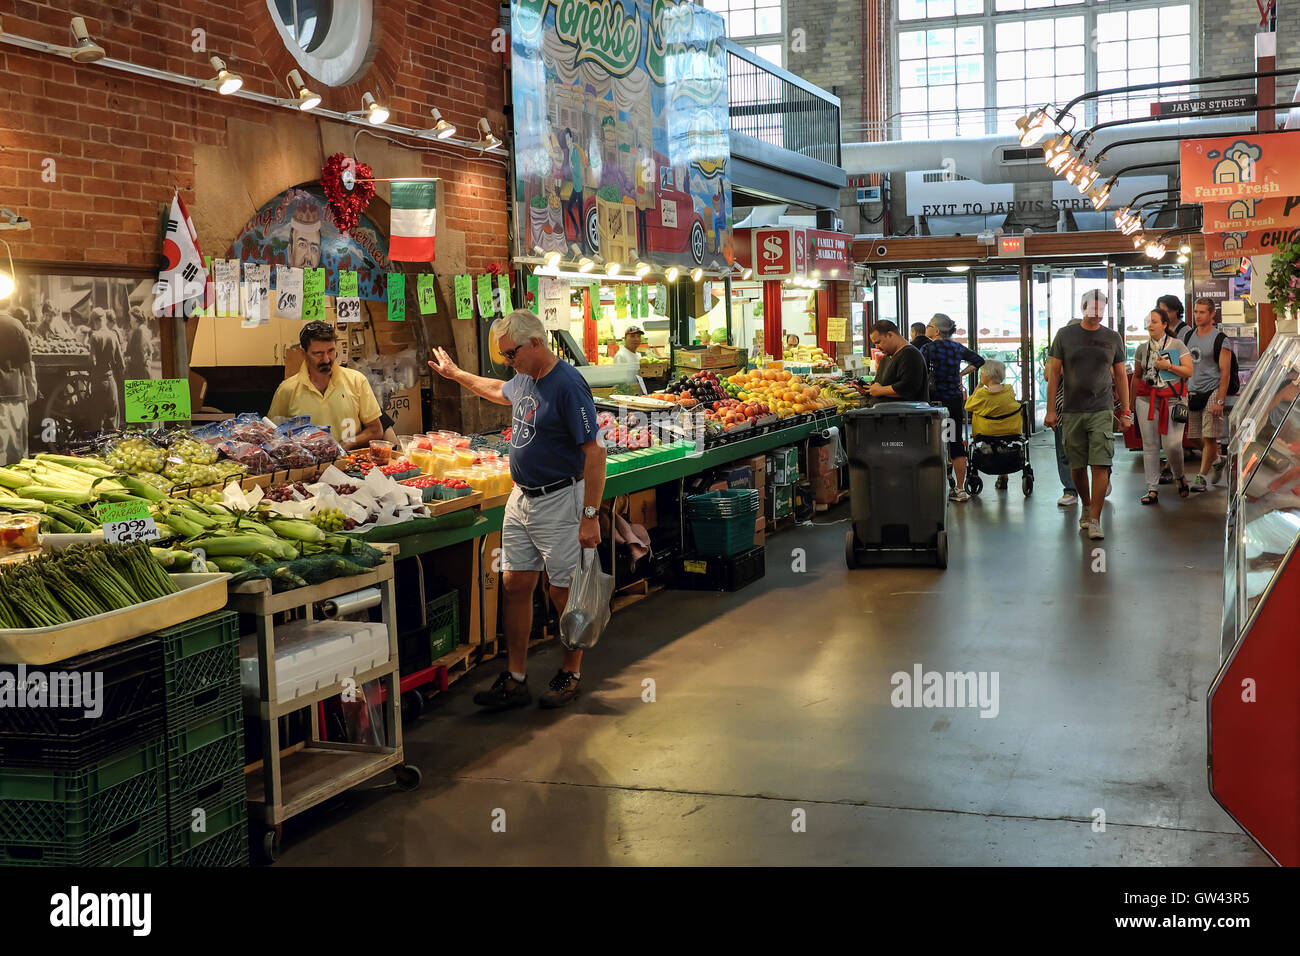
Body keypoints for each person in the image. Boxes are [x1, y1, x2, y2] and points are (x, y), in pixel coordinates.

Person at [428, 309, 606, 710]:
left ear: (537, 343)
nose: (509, 362)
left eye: (512, 354)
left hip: (560, 500)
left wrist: (590, 516)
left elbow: (596, 453)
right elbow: (497, 390)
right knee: (514, 584)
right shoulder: (525, 378)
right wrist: (457, 375)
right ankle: (517, 676)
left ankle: (571, 672)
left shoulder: (568, 385)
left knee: (563, 591)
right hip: (521, 498)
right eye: (505, 356)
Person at [1045, 290, 1132, 541]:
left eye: (1101, 307)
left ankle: (1095, 518)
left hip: (1102, 408)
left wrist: (1125, 411)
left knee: (1101, 463)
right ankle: (1085, 504)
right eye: (1093, 306)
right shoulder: (1065, 335)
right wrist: (1051, 409)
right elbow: (1053, 374)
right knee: (1077, 467)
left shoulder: (1112, 337)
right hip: (1072, 410)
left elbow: (1120, 377)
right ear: (1083, 307)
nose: (1097, 311)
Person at [268, 321, 383, 450]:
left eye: (331, 351)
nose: (327, 359)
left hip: (348, 465)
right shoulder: (286, 390)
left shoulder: (356, 380)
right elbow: (272, 436)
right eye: (318, 353)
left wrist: (347, 443)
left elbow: (375, 430)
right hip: (308, 467)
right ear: (303, 353)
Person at [1132, 309, 1192, 503]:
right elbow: (1137, 376)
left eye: (1154, 322)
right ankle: (1152, 488)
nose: (1150, 325)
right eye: (1148, 321)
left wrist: (1170, 367)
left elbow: (1188, 371)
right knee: (1150, 445)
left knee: (1172, 444)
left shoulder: (1176, 344)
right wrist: (1130, 404)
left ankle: (1179, 475)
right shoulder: (1142, 348)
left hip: (1173, 398)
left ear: (1165, 324)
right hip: (1147, 399)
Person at [923, 314, 984, 502]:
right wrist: (960, 374)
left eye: (929, 325)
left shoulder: (928, 348)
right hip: (955, 401)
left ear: (936, 330)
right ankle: (960, 489)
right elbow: (979, 361)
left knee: (933, 442)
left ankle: (932, 488)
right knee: (955, 441)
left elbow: (921, 372)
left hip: (934, 402)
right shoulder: (957, 347)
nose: (926, 328)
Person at [1183, 298, 1233, 491]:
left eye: (1202, 312)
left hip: (1213, 389)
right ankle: (1218, 459)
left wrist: (1220, 400)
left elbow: (1225, 372)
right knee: (1194, 436)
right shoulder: (1188, 336)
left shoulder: (1221, 339)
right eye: (1196, 311)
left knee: (1210, 436)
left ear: (1212, 314)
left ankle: (1201, 477)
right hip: (1193, 390)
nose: (1198, 315)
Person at [0, 308, 37, 465]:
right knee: (16, 442)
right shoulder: (17, 325)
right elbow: (27, 363)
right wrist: (32, 385)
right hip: (15, 391)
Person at [867, 320, 928, 402]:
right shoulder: (887, 357)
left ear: (890, 335)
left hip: (905, 413)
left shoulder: (910, 354)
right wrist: (869, 389)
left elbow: (909, 388)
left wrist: (880, 391)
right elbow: (881, 384)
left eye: (878, 342)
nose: (877, 347)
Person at [88, 307, 125, 433]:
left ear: (94, 321)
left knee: (97, 421)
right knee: (112, 420)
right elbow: (121, 363)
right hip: (110, 381)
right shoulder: (113, 336)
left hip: (98, 383)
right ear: (103, 319)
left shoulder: (94, 337)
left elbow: (92, 361)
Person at [123, 307, 151, 382]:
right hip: (145, 370)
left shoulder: (138, 332)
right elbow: (150, 351)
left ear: (135, 318)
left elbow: (138, 356)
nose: (130, 321)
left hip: (138, 373)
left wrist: (128, 360)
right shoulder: (145, 329)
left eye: (130, 318)